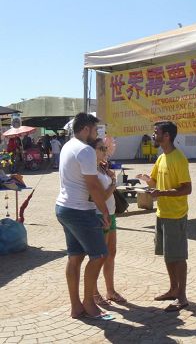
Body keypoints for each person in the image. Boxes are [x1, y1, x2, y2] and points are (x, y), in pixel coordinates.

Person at [55, 112, 113, 320]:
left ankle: (76, 306)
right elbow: (93, 186)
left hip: (64, 207)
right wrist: (105, 212)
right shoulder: (85, 151)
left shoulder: (67, 146)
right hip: (79, 210)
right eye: (95, 130)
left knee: (75, 256)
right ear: (86, 129)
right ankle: (89, 303)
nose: (97, 134)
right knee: (99, 255)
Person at [136, 121, 192, 312]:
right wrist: (146, 180)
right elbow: (155, 181)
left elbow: (187, 188)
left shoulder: (179, 159)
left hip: (176, 215)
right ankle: (173, 290)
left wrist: (161, 193)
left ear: (166, 136)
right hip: (162, 213)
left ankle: (182, 297)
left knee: (178, 257)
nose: (153, 135)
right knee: (168, 256)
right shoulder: (161, 158)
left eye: (156, 132)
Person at [89, 138, 126, 306]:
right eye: (100, 148)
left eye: (105, 148)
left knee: (111, 252)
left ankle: (110, 290)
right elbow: (101, 197)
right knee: (100, 256)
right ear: (91, 151)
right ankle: (93, 292)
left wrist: (111, 178)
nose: (104, 151)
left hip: (110, 214)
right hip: (99, 215)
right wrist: (113, 183)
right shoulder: (91, 171)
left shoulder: (102, 168)